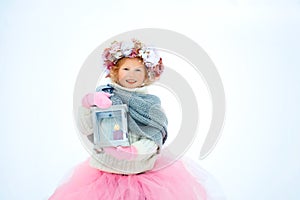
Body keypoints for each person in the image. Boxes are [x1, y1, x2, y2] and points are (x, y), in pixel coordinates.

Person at [49, 39, 223, 200]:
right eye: (126, 69)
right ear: (115, 72)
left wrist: (133, 151)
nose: (131, 75)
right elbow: (86, 128)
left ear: (147, 74)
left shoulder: (151, 106)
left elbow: (154, 137)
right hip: (106, 171)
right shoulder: (104, 97)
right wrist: (87, 105)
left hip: (142, 172)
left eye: (138, 70)